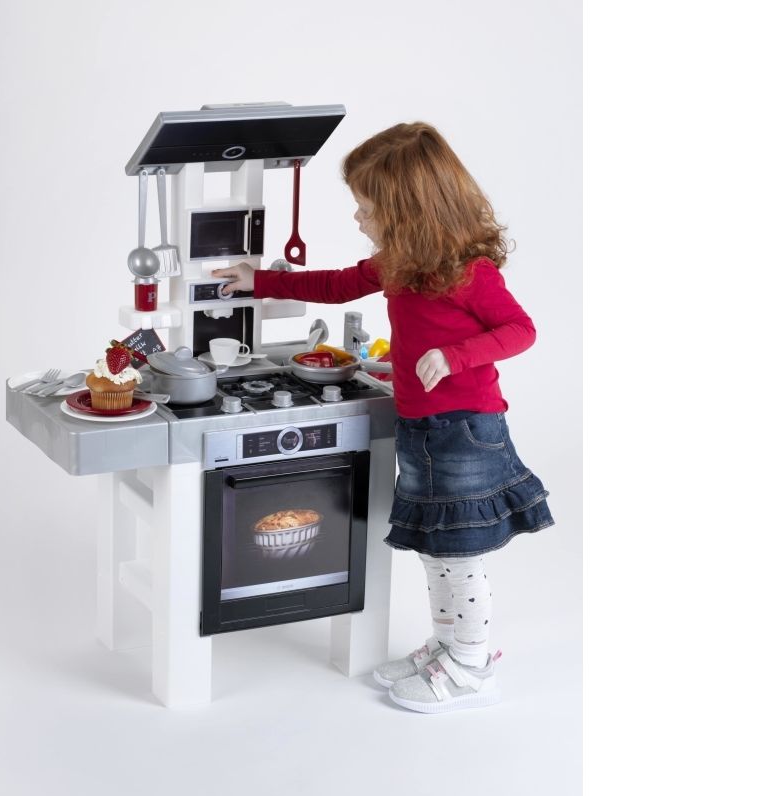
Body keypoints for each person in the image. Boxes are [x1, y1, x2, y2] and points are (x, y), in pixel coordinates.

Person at [212, 122, 555, 714]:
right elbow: (337, 284)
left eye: (367, 209)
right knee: (435, 552)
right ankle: (449, 648)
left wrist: (453, 356)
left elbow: (521, 330)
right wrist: (259, 280)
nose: (358, 218)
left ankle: (473, 668)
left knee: (458, 556)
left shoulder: (470, 273)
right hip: (422, 431)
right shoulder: (399, 262)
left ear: (408, 212)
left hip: (464, 431)